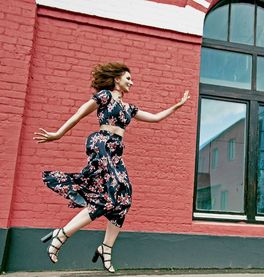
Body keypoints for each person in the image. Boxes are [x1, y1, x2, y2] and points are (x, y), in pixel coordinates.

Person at [33, 62, 190, 273]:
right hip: (102, 145)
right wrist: (58, 134)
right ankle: (61, 234)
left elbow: (155, 118)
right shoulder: (104, 96)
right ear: (117, 79)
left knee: (124, 198)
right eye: (128, 79)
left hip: (116, 151)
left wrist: (176, 106)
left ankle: (105, 248)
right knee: (109, 196)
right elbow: (80, 113)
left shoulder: (129, 108)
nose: (131, 83)